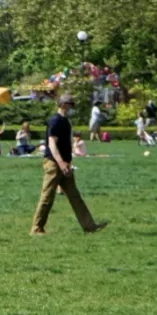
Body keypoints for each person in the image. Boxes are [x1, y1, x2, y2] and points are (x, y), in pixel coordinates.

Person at [32, 94, 107, 236]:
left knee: (74, 196)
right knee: (47, 196)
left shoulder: (65, 121)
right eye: (71, 104)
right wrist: (60, 163)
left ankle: (89, 226)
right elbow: (52, 143)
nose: (73, 108)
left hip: (64, 164)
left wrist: (67, 163)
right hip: (54, 164)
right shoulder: (55, 121)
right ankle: (36, 229)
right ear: (63, 105)